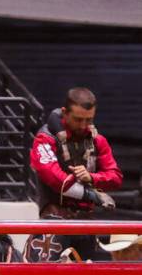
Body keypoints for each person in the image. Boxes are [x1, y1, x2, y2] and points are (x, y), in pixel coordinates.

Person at [26, 87, 124, 263]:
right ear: (64, 113)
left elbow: (115, 177)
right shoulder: (45, 138)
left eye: (89, 119)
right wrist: (93, 194)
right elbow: (56, 179)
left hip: (86, 222)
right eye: (78, 119)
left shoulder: (97, 140)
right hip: (54, 221)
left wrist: (92, 178)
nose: (83, 125)